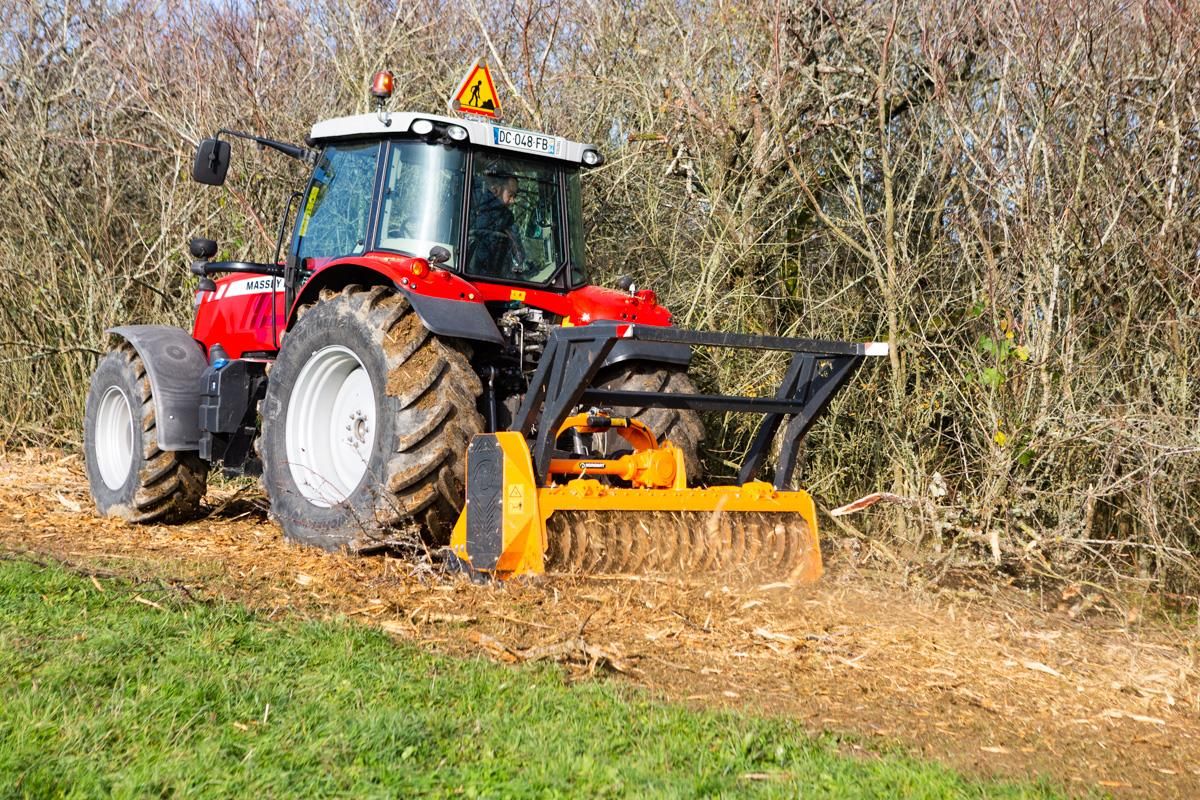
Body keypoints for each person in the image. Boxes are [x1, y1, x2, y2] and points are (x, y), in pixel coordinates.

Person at [468, 169, 526, 277]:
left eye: (515, 196)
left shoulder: (472, 206)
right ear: (496, 190)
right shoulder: (505, 219)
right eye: (510, 195)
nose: (513, 201)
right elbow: (518, 254)